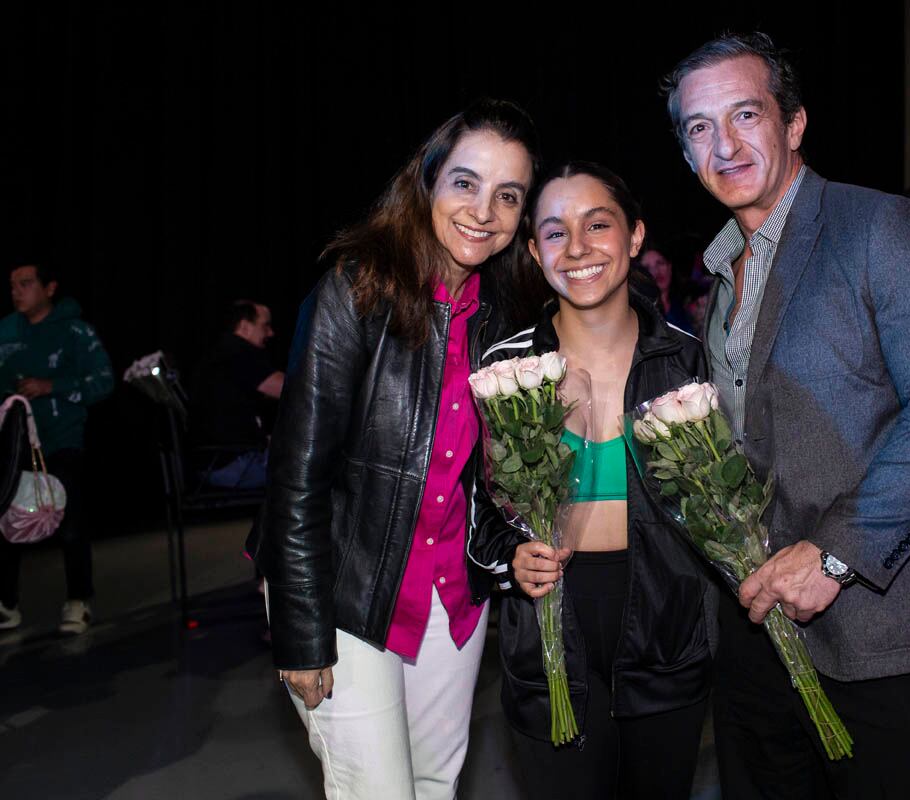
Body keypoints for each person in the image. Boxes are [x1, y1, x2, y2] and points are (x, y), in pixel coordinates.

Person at [663, 33, 910, 798]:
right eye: (700, 128)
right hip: (759, 636)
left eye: (746, 114)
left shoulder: (879, 228)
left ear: (795, 123)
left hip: (884, 633)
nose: (725, 143)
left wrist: (836, 555)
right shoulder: (721, 274)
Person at [245, 99, 547, 800]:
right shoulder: (357, 289)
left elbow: (490, 476)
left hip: (452, 599)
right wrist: (300, 629)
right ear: (427, 182)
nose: (484, 210)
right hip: (347, 592)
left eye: (509, 195)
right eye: (466, 183)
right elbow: (296, 477)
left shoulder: (507, 312)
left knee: (433, 785)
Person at [468, 162, 715, 800]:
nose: (576, 247)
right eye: (553, 232)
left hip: (665, 636)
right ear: (533, 252)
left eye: (597, 224)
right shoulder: (504, 368)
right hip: (550, 634)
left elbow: (721, 504)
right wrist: (509, 559)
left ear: (635, 237)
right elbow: (477, 510)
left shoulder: (688, 360)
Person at [0, 262, 114, 634]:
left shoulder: (75, 331)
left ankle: (78, 601)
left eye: (26, 283)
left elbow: (103, 382)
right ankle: (6, 604)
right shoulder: (5, 331)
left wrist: (51, 386)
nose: (17, 291)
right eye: (13, 285)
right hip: (14, 444)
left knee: (70, 523)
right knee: (8, 522)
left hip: (62, 440)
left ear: (49, 288)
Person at [189, 300, 285, 488]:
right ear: (244, 326)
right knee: (319, 468)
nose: (271, 333)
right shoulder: (238, 352)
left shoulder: (220, 353)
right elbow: (287, 388)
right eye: (265, 326)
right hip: (232, 465)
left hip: (216, 462)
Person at [637, 244, 694, 334]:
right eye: (647, 268)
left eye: (660, 263)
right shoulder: (637, 313)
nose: (655, 271)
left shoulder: (684, 305)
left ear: (669, 267)